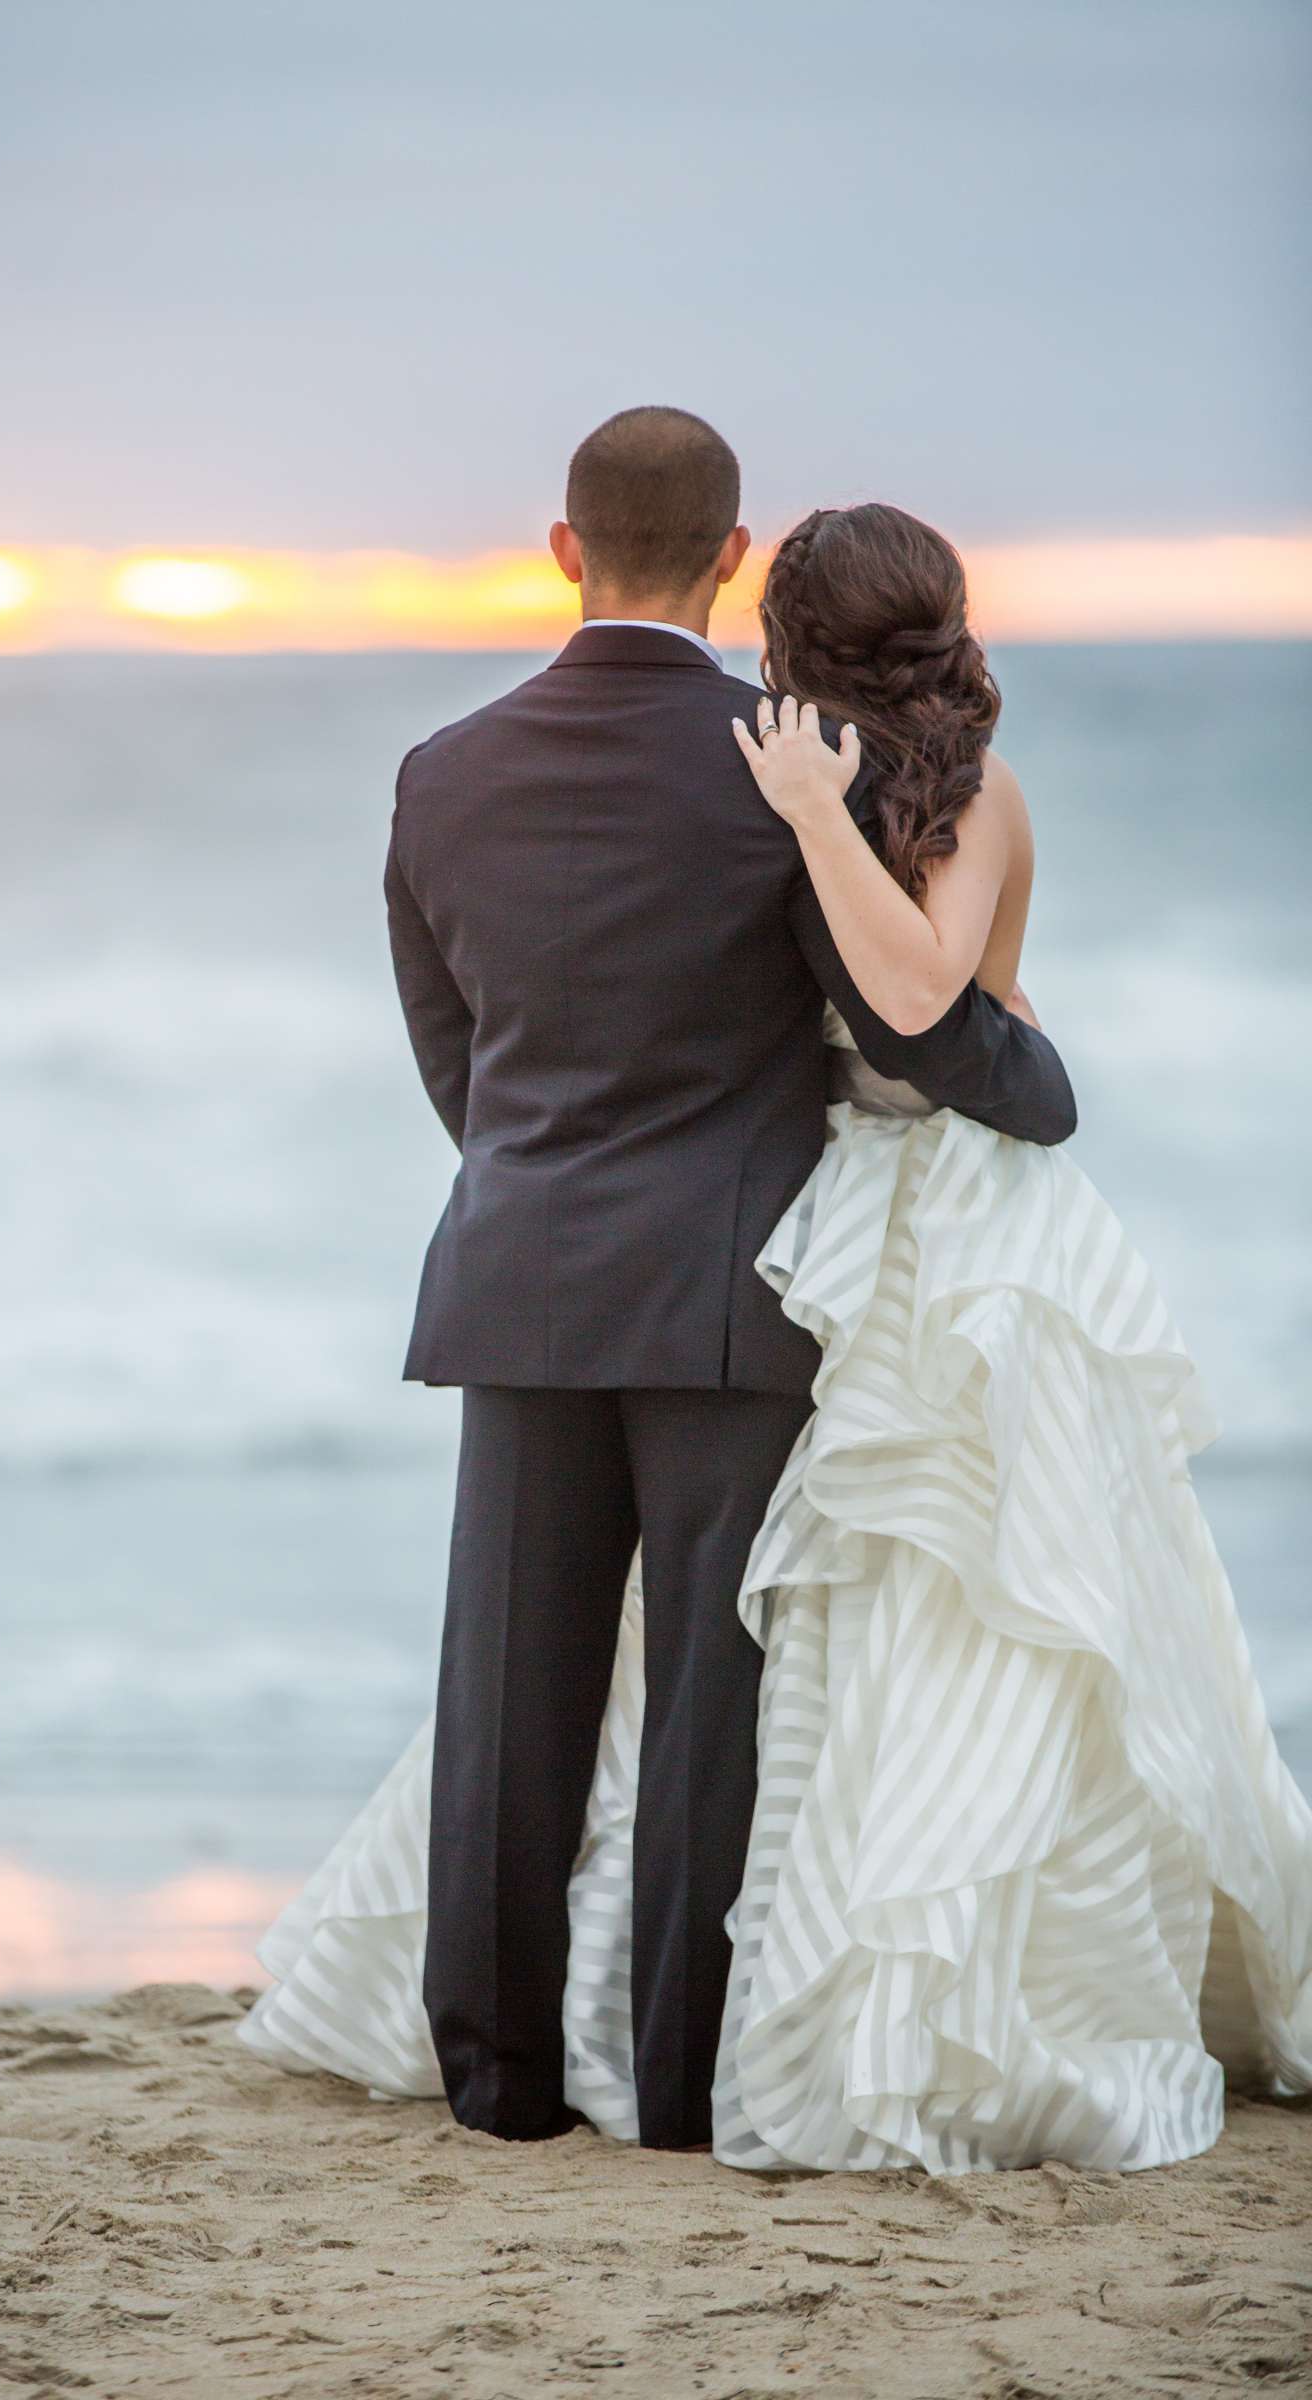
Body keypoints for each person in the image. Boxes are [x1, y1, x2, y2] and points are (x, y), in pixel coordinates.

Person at [242, 413, 1095, 2159]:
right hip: (731, 1294)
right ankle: (686, 2094)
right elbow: (884, 1020)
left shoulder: (441, 770)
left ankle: (497, 2088)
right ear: (729, 557)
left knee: (507, 1693)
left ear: (562, 548)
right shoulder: (797, 761)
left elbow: (454, 1057)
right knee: (712, 1708)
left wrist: (543, 1189)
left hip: (523, 1272)